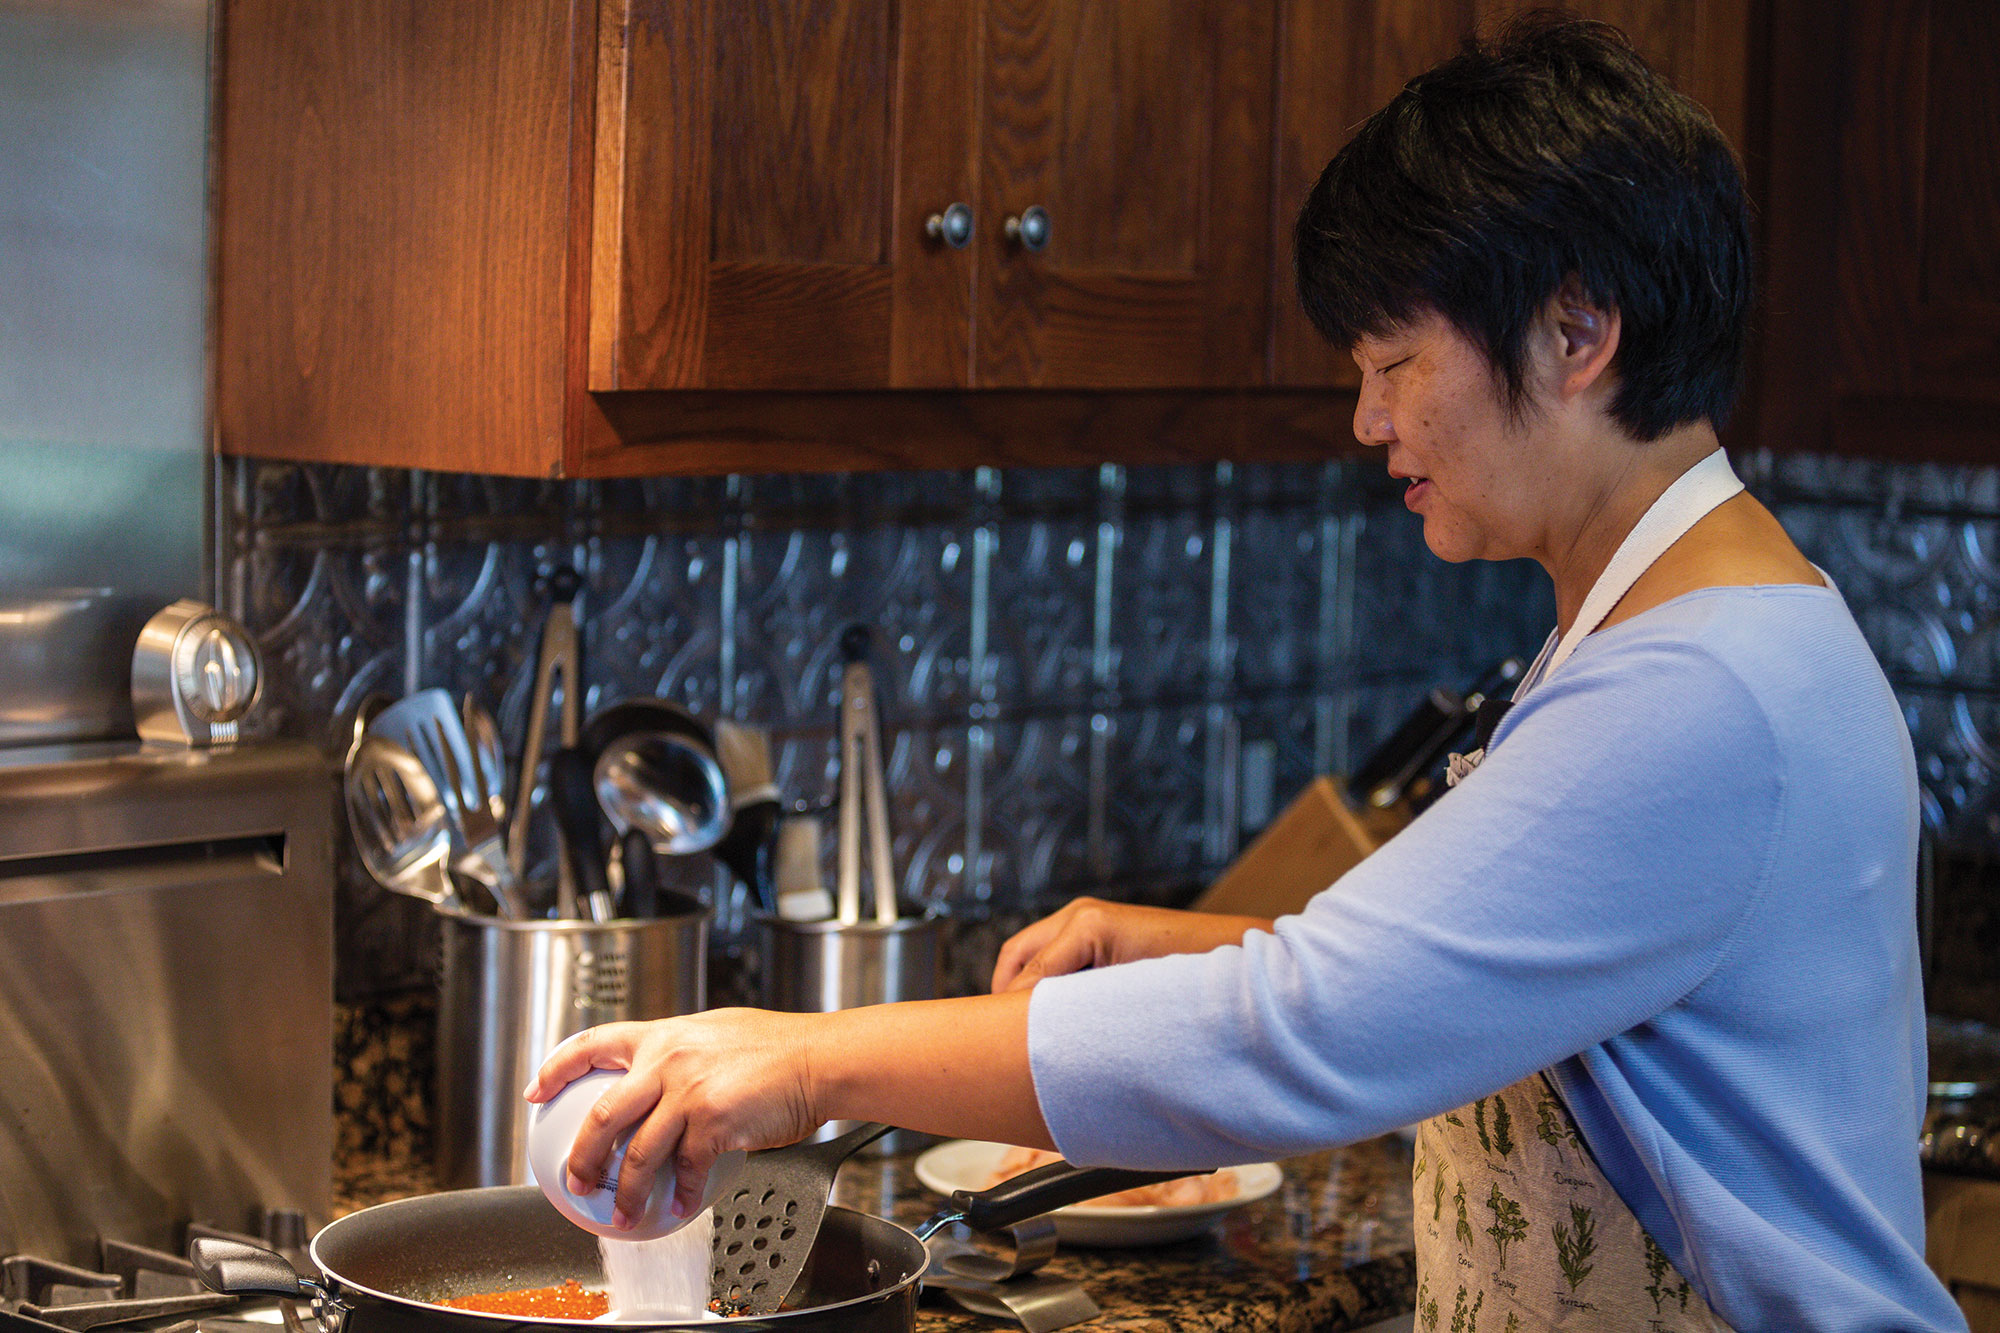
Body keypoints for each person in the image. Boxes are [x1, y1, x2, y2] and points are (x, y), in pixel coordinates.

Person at [526, 16, 1964, 1330]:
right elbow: (1465, 987)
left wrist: (809, 1059)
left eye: (1397, 359)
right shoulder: (1694, 623)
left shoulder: (1697, 691)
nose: (1365, 416)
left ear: (1578, 333)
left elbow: (1301, 1033)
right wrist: (1183, 941)